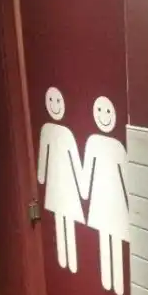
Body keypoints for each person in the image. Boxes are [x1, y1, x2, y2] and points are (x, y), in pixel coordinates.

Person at [79, 96, 129, 295]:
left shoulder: (117, 147)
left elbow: (126, 177)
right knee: (103, 239)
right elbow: (86, 168)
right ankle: (107, 282)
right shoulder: (92, 142)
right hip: (100, 201)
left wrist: (131, 205)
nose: (104, 116)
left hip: (116, 205)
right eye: (100, 110)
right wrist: (84, 191)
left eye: (107, 111)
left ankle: (116, 284)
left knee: (114, 241)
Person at [38, 87, 84, 273]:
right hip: (55, 187)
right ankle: (64, 260)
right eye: (52, 100)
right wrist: (41, 176)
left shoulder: (67, 134)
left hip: (69, 186)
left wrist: (82, 188)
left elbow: (75, 160)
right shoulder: (47, 130)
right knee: (59, 221)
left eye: (58, 101)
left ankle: (71, 262)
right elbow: (43, 157)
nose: (55, 105)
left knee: (69, 223)